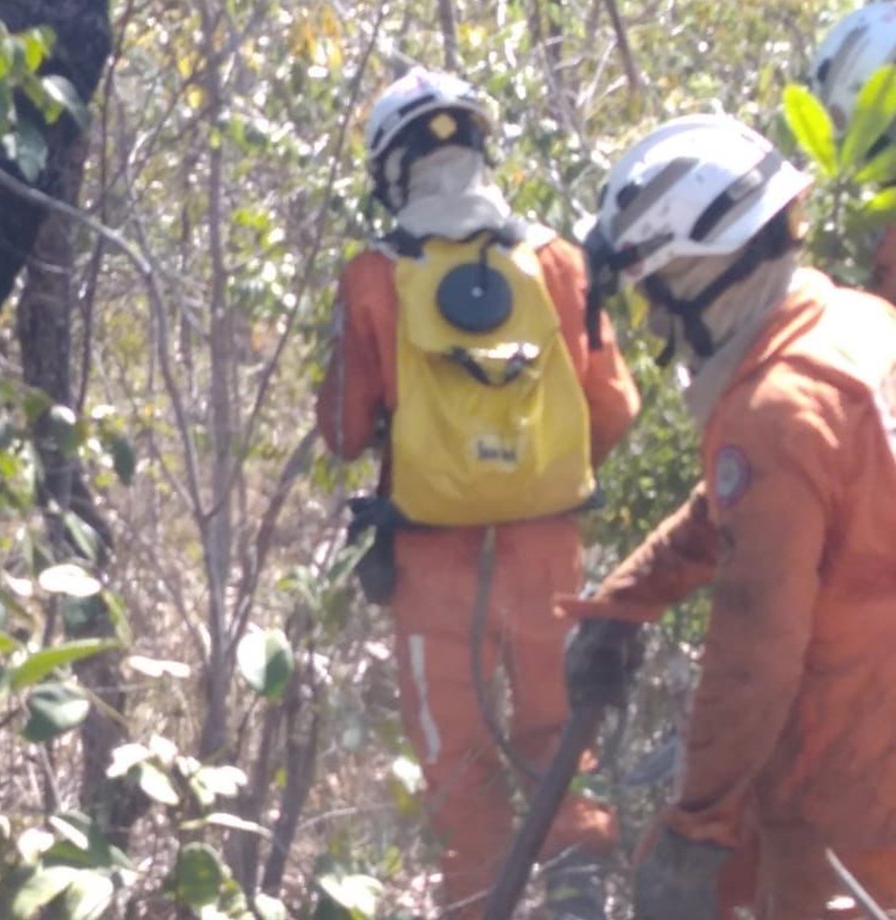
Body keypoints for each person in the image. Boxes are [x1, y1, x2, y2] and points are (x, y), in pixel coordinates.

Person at [315, 67, 640, 919]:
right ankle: (578, 884)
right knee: (555, 719)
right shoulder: (559, 261)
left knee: (455, 749)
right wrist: (544, 477)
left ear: (390, 169)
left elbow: (345, 434)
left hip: (433, 557)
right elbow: (616, 404)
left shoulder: (373, 278)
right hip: (548, 545)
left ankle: (476, 903)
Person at [569, 111, 896, 919]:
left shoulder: (777, 412)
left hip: (857, 776)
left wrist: (700, 825)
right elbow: (735, 511)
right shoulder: (856, 324)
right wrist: (624, 601)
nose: (653, 322)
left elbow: (757, 650)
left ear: (695, 273)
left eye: (652, 293)